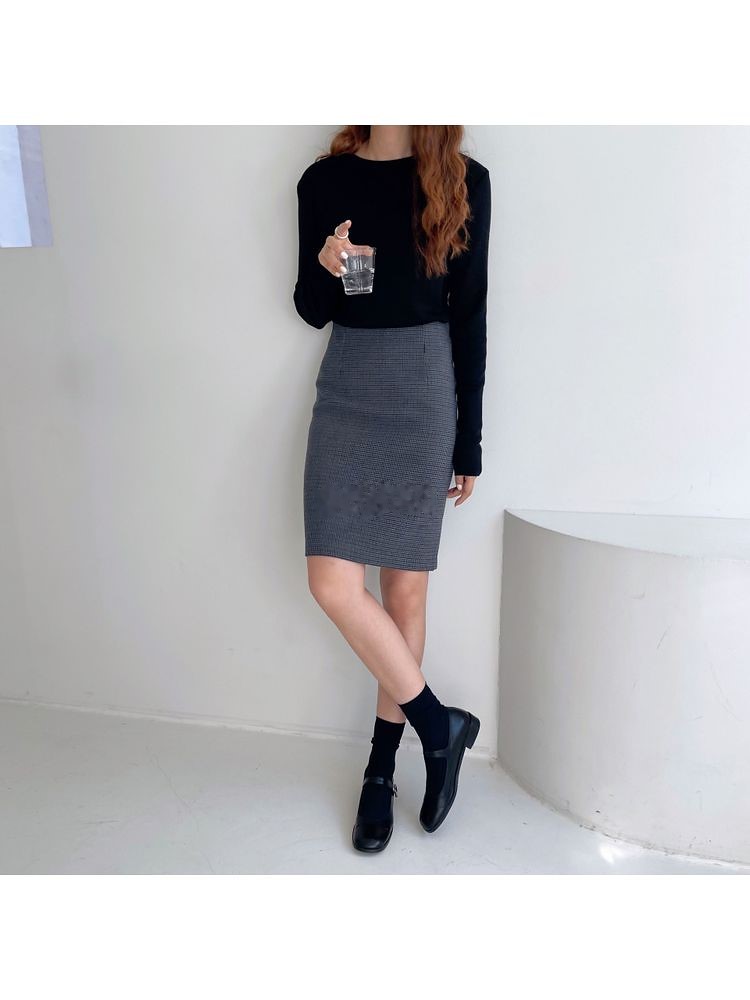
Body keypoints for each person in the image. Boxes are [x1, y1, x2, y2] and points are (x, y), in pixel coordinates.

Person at [293, 126, 491, 853]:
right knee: (333, 584)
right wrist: (325, 265)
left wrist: (468, 440)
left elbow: (470, 313)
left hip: (423, 390)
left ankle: (381, 770)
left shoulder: (464, 179)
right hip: (348, 386)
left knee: (404, 594)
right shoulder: (325, 181)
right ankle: (440, 727)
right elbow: (312, 307)